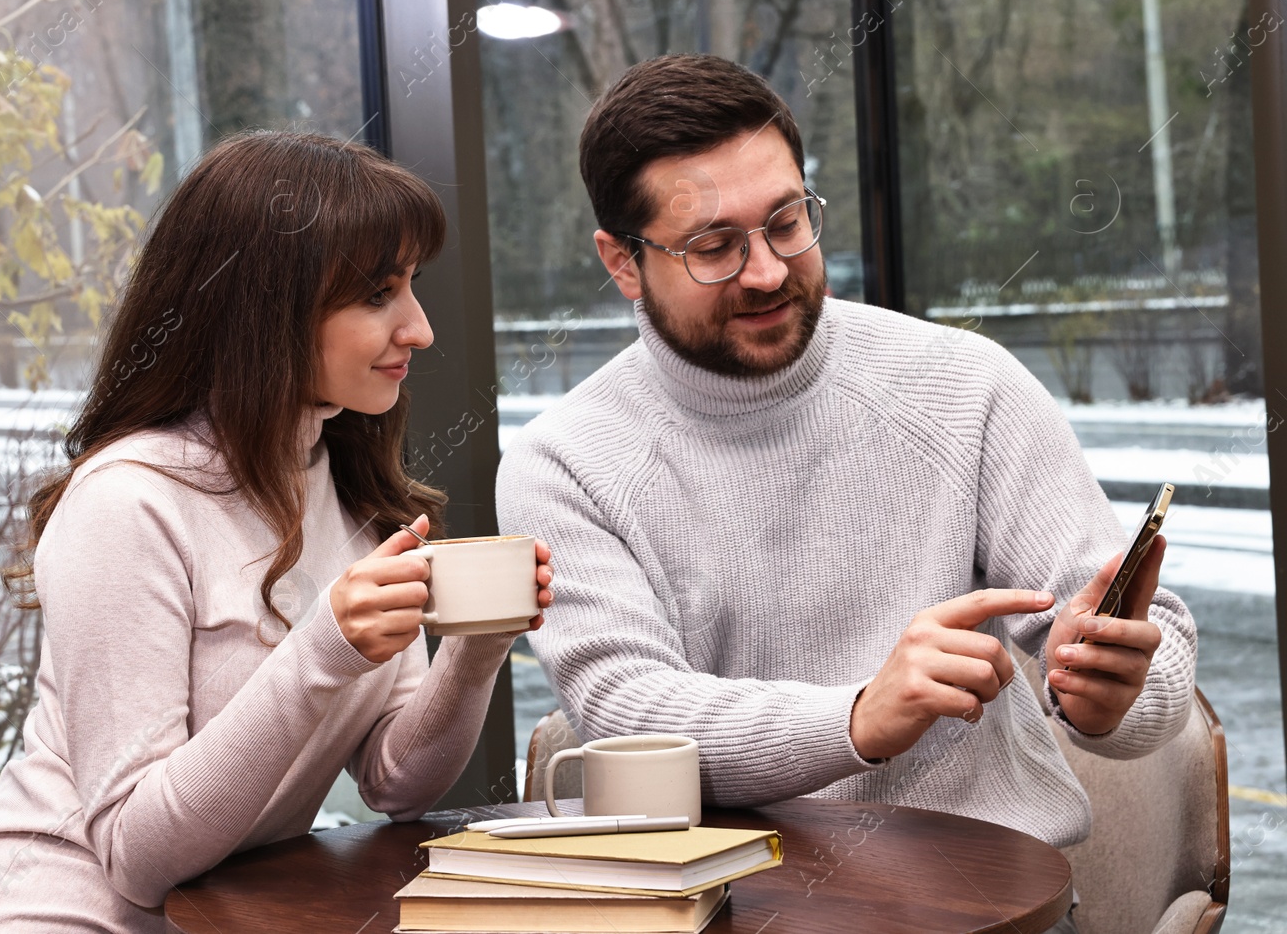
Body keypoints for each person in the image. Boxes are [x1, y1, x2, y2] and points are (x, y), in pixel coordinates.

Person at [497, 54, 1195, 930]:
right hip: (719, 913)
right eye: (714, 247)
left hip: (988, 912)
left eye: (788, 222)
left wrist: (1120, 688)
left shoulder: (963, 384)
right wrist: (861, 717)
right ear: (623, 262)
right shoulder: (563, 459)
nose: (765, 271)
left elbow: (1143, 632)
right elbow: (626, 710)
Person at [0, 131, 554, 933]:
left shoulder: (351, 494)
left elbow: (397, 782)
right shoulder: (127, 502)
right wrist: (321, 652)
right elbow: (136, 856)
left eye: (412, 286)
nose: (418, 327)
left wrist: (478, 645)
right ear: (267, 308)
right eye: (378, 294)